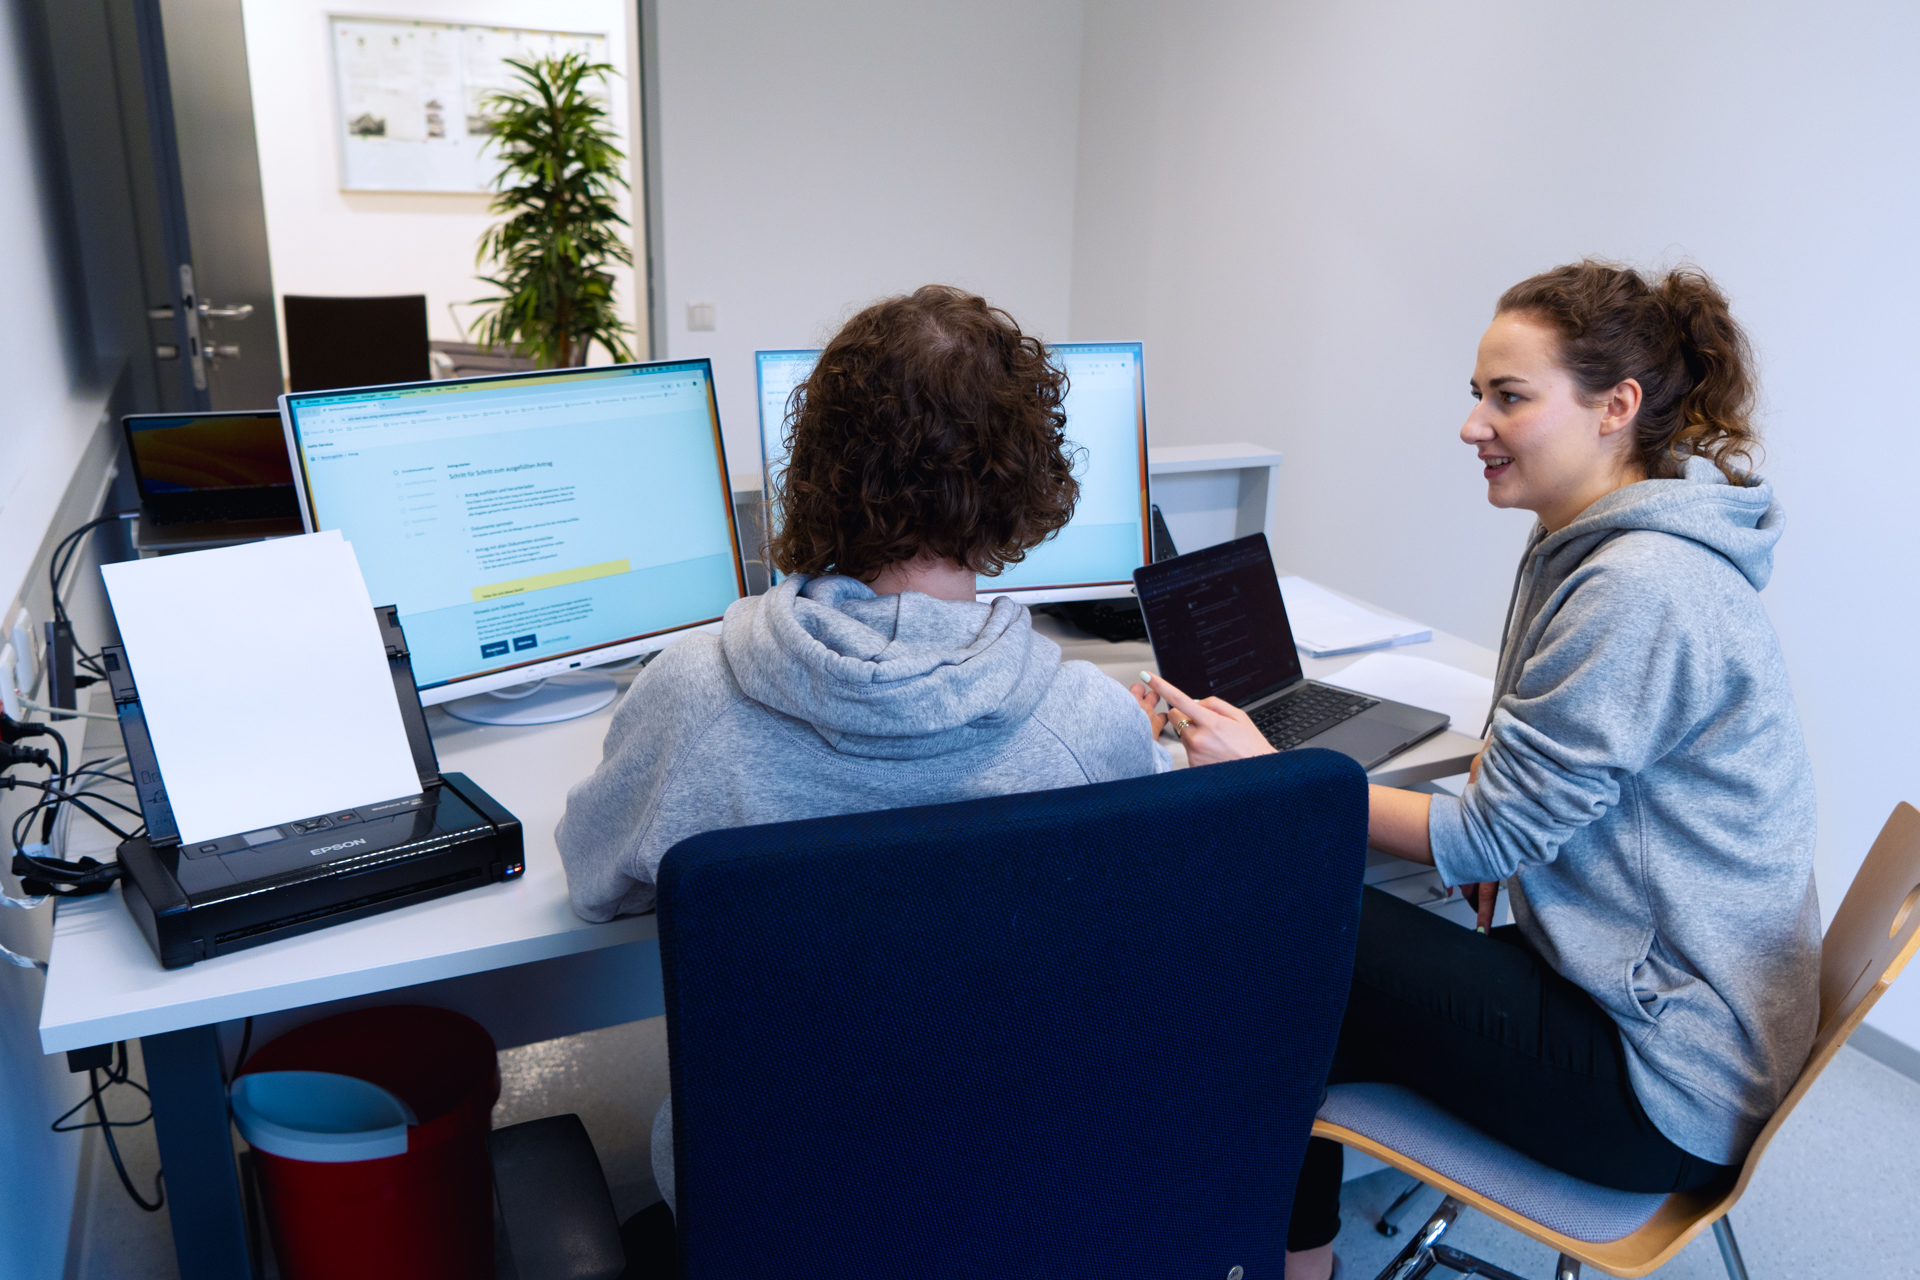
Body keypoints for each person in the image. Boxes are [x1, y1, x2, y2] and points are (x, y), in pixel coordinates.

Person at [1139, 261, 1818, 1280]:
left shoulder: (1640, 586)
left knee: (1280, 920)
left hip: (1660, 1075)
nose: (1473, 424)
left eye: (1509, 396)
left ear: (1615, 408)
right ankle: (1287, 1246)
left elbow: (1487, 835)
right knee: (1301, 1002)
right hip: (1678, 1009)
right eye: (1476, 394)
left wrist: (1281, 770)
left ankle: (1266, 1247)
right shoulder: (1610, 544)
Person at [555, 284, 1169, 1210]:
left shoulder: (691, 696)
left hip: (765, 1209)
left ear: (815, 466)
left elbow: (593, 883)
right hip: (1013, 1194)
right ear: (1022, 483)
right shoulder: (1092, 723)